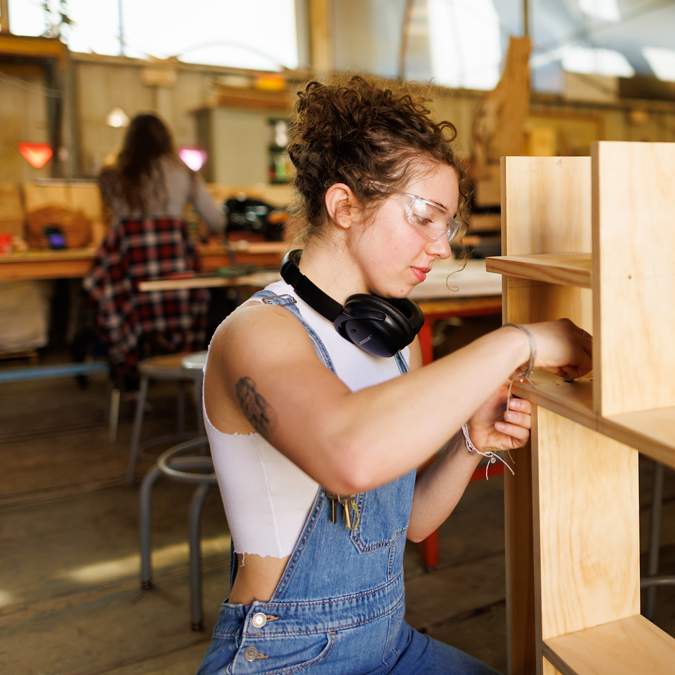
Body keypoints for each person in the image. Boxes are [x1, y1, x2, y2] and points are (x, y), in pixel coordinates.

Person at [196, 76, 592, 675]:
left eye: (449, 226)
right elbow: (348, 457)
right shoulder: (257, 334)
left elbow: (407, 525)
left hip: (388, 639)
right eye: (425, 218)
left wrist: (468, 445)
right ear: (345, 206)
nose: (441, 247)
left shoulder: (392, 343)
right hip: (286, 654)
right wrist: (521, 338)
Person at [83, 112, 226, 387]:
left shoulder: (111, 176)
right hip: (176, 287)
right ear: (166, 139)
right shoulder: (183, 172)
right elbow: (216, 221)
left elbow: (108, 222)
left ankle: (129, 375)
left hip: (132, 288)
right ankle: (190, 372)